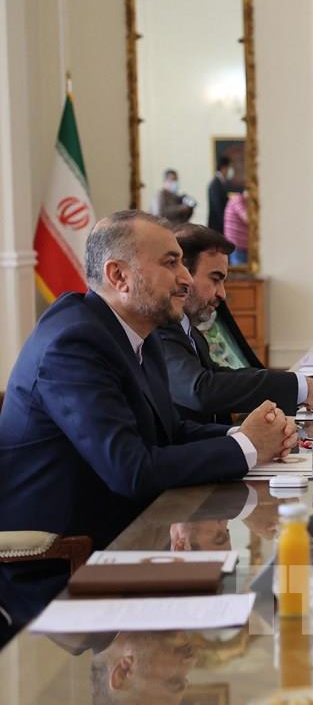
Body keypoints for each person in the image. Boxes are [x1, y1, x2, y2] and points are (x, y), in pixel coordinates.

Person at [0, 210, 296, 637]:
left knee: (275, 597)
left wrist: (247, 435)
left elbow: (168, 431)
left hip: (134, 537)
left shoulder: (139, 333)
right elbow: (131, 470)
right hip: (64, 565)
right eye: (170, 263)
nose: (186, 279)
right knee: (255, 611)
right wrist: (247, 447)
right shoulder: (73, 344)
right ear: (118, 276)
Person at [158, 224, 313, 424]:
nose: (222, 294)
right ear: (184, 276)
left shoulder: (189, 331)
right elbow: (201, 390)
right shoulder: (161, 329)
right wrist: (300, 387)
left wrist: (300, 386)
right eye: (215, 279)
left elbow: (219, 375)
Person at [223, 191, 249, 265]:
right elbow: (248, 219)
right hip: (237, 245)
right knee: (239, 268)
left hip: (245, 245)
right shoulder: (237, 200)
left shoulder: (245, 202)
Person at [207, 155, 231, 233]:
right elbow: (218, 208)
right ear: (224, 168)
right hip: (217, 228)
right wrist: (226, 225)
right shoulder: (215, 184)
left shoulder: (221, 182)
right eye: (229, 168)